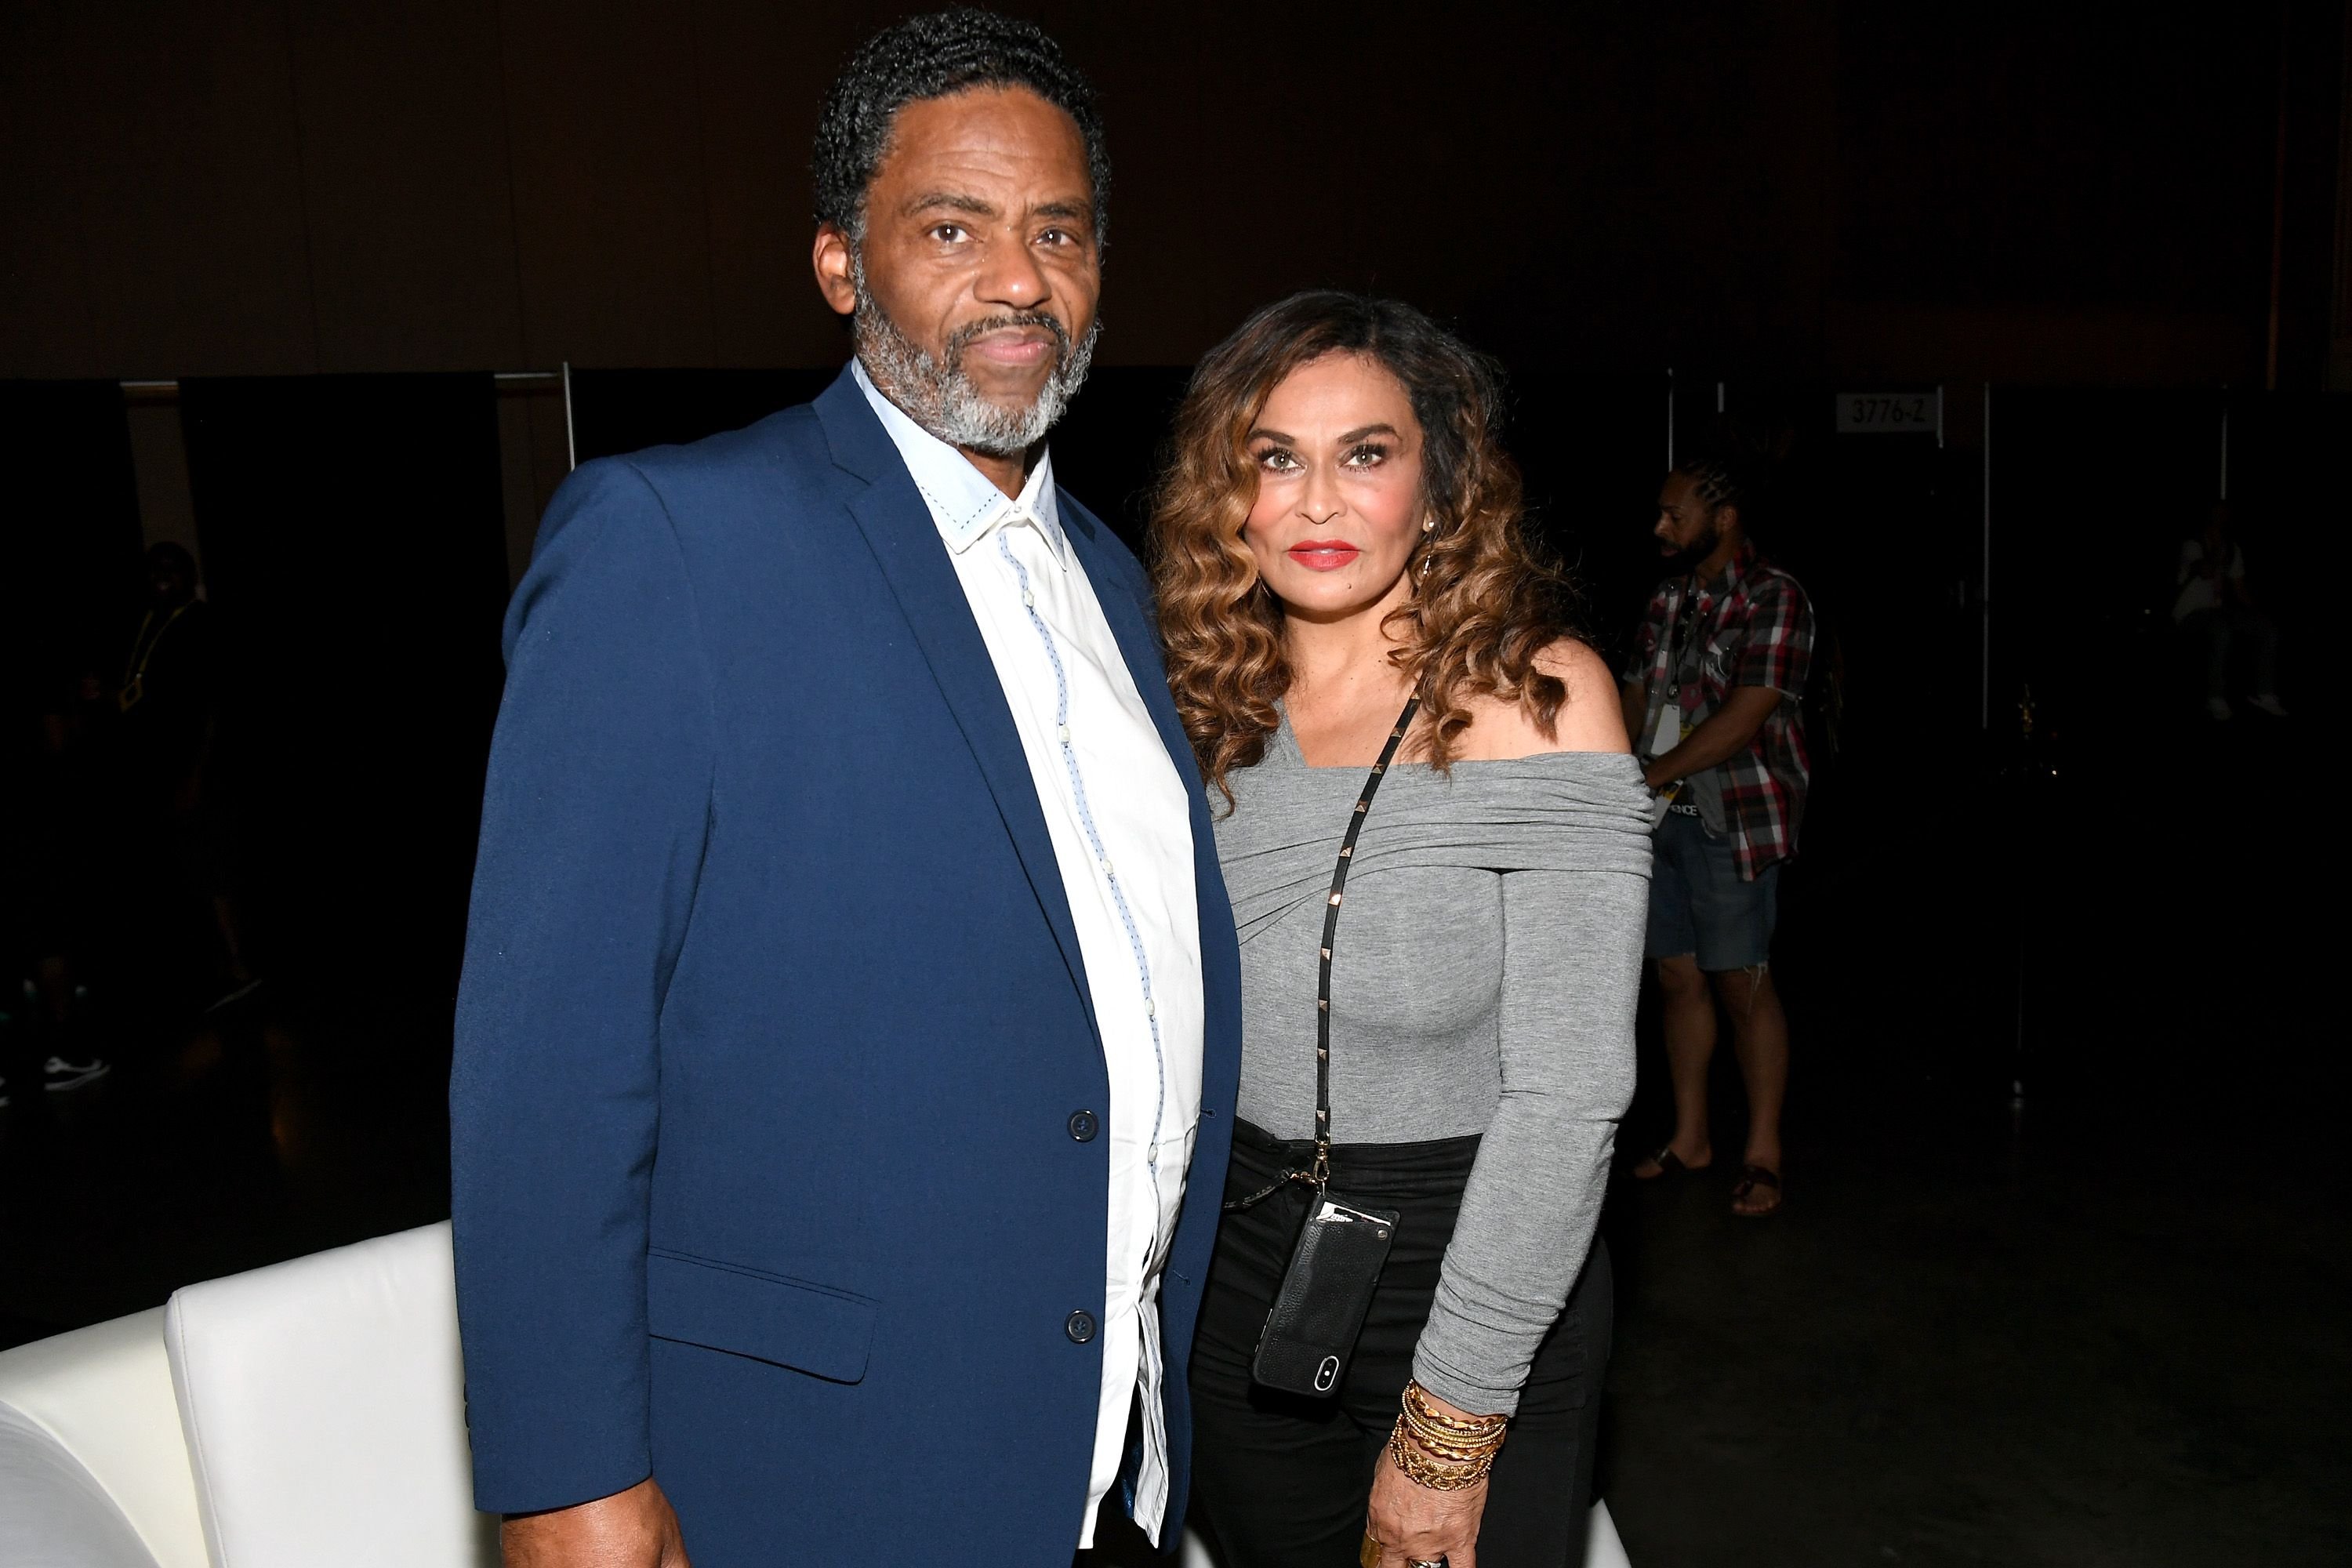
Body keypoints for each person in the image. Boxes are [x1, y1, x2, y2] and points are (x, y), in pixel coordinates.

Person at [448, 13, 1240, 1566]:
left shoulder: (1113, 582)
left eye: (1058, 232)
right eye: (953, 229)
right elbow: (546, 1065)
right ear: (839, 263)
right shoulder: (671, 544)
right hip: (820, 1476)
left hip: (1109, 1464)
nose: (1019, 282)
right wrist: (565, 1479)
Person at [1153, 292, 1653, 1568]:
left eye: (1365, 454)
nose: (1318, 502)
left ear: (1440, 483)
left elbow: (1570, 1096)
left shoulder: (1537, 700)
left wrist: (1450, 1424)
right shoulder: (1189, 703)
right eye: (1277, 458)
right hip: (1241, 1270)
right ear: (1230, 491)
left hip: (1481, 1264)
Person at [1621, 454, 1813, 1218]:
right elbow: (1638, 691)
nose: (1659, 526)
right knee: (1675, 978)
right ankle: (1691, 1134)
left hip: (1734, 814)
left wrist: (1648, 770)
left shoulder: (1777, 598)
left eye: (1675, 513)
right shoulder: (1669, 597)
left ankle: (1763, 1149)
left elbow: (1742, 720)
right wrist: (1615, 765)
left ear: (1723, 517)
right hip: (1662, 814)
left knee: (1743, 980)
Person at [2174, 503, 2285, 720]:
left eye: (2225, 515)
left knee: (2266, 627)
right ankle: (2215, 697)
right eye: (2217, 515)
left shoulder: (2233, 549)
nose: (2222, 519)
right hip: (2189, 614)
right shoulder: (2193, 545)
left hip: (2217, 612)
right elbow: (2205, 571)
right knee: (2220, 629)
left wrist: (2257, 615)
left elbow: (2240, 590)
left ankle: (2264, 693)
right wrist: (2216, 548)